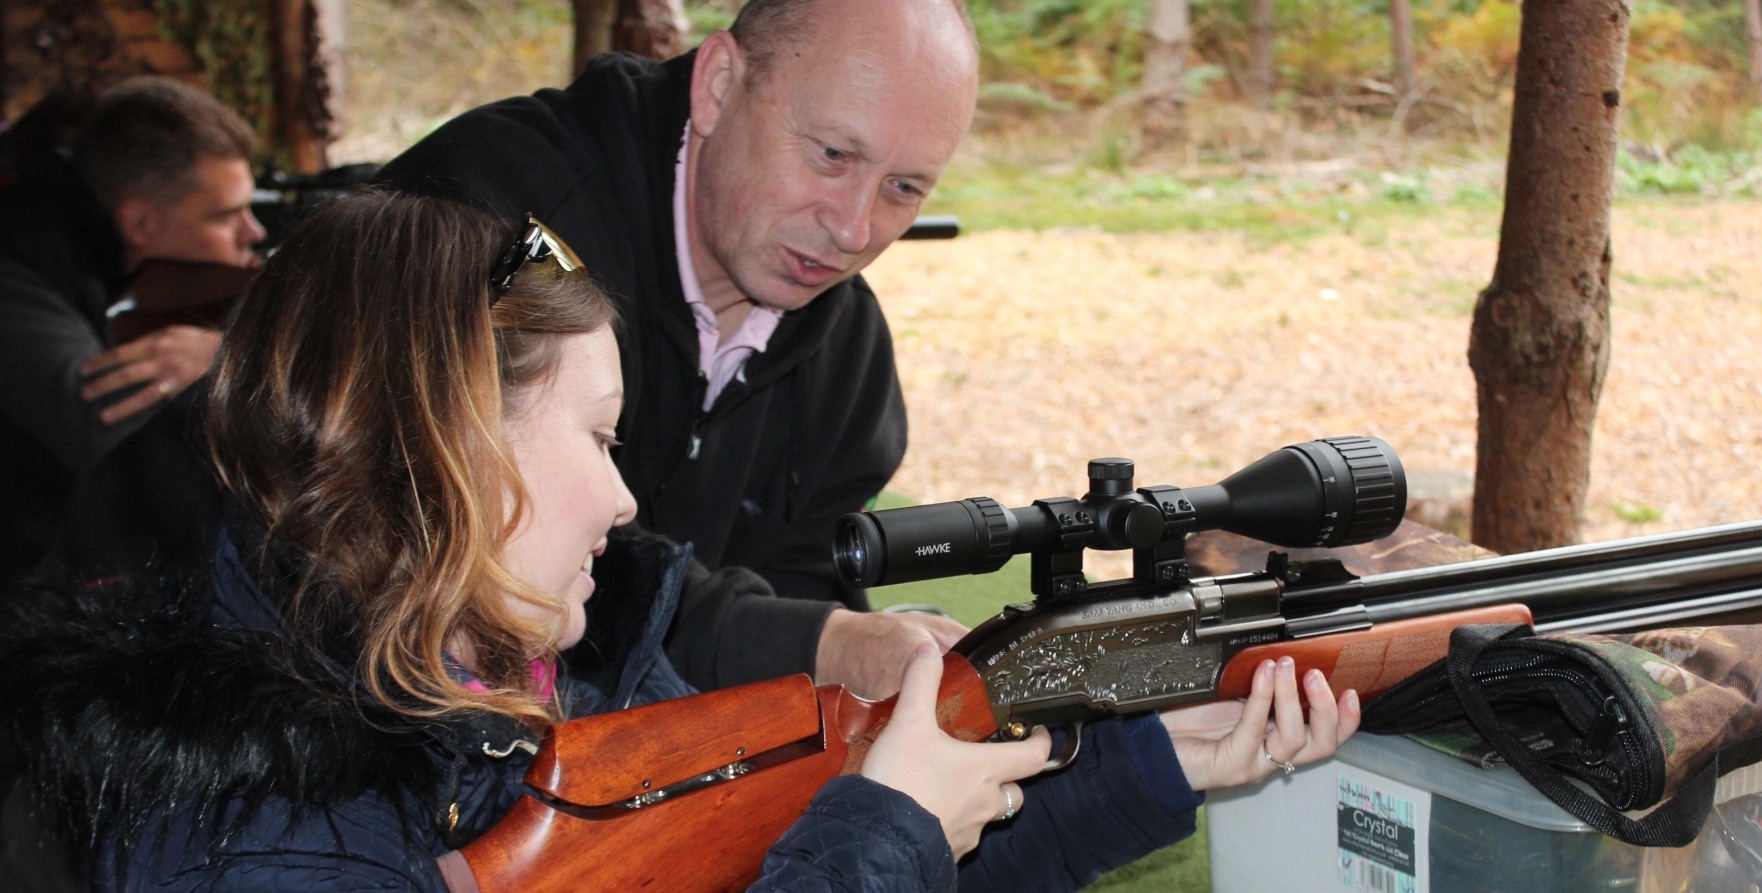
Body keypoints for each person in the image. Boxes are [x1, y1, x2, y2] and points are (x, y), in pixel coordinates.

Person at [0, 192, 1361, 891]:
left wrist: (1140, 764)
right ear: (443, 441)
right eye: (596, 441)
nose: (622, 504)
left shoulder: (548, 690)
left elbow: (801, 864)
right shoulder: (246, 824)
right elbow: (854, 863)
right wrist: (888, 824)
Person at [377, 0, 981, 698]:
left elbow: (806, 591)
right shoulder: (500, 229)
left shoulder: (847, 357)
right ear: (719, 84)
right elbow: (446, 534)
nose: (854, 229)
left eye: (903, 189)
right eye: (833, 155)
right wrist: (800, 642)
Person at [0, 78, 265, 584]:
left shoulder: (97, 248)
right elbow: (112, 435)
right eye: (227, 215)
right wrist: (236, 361)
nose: (253, 233)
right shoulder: (16, 267)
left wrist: (223, 351)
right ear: (139, 221)